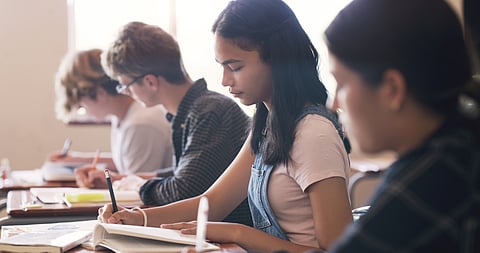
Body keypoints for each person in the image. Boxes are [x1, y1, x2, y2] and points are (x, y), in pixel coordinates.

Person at [99, 0, 353, 252]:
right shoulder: (267, 125)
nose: (224, 80)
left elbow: (337, 251)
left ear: (277, 58)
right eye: (222, 66)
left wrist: (237, 232)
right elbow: (212, 202)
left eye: (235, 67)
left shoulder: (313, 134)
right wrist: (136, 218)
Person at [324, 0, 480, 252]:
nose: (333, 104)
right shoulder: (461, 143)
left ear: (392, 89)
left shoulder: (433, 180)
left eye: (341, 83)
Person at [100, 21, 252, 225]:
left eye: (126, 86)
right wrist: (130, 180)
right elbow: (189, 171)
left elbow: (184, 190)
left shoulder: (209, 112)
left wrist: (140, 187)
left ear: (150, 82)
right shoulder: (191, 111)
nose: (127, 92)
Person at [52, 49, 174, 188]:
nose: (84, 112)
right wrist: (74, 159)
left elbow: (136, 189)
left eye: (81, 105)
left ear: (100, 93)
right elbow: (125, 160)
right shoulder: (123, 117)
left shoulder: (140, 124)